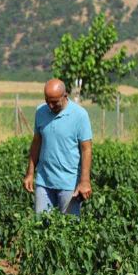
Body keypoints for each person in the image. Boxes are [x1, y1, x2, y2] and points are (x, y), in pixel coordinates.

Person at [22, 78, 93, 216]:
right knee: (40, 227)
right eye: (47, 101)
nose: (50, 106)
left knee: (70, 228)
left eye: (54, 102)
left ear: (65, 96)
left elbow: (86, 149)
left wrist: (84, 181)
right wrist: (30, 173)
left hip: (69, 183)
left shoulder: (80, 115)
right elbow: (36, 142)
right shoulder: (40, 111)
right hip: (44, 180)